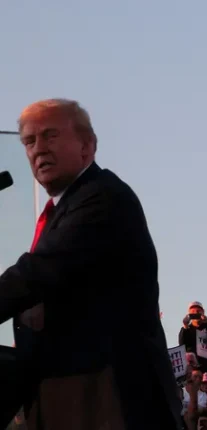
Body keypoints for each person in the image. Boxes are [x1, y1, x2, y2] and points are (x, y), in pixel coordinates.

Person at [0, 99, 181, 429]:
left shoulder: (103, 198)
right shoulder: (63, 211)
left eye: (50, 135)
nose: (38, 149)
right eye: (29, 141)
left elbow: (35, 275)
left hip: (111, 404)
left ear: (87, 146)